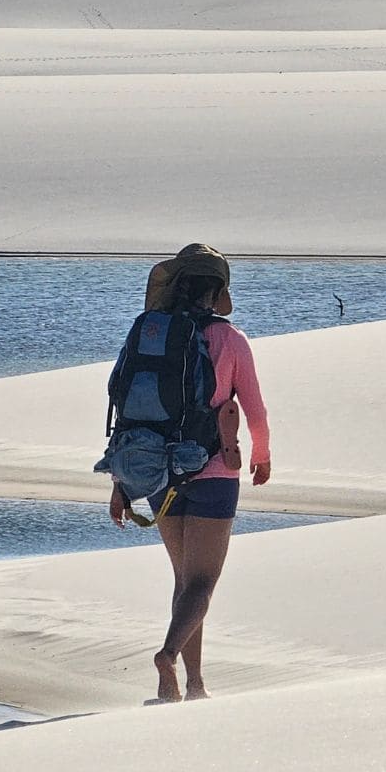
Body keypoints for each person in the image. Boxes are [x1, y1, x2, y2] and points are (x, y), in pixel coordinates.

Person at [108, 244, 271, 703]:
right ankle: (167, 655)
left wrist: (121, 484)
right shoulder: (231, 340)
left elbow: (128, 411)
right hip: (214, 470)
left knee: (184, 581)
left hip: (160, 471)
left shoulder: (152, 334)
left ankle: (192, 685)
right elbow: (253, 406)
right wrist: (262, 454)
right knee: (201, 584)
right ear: (217, 290)